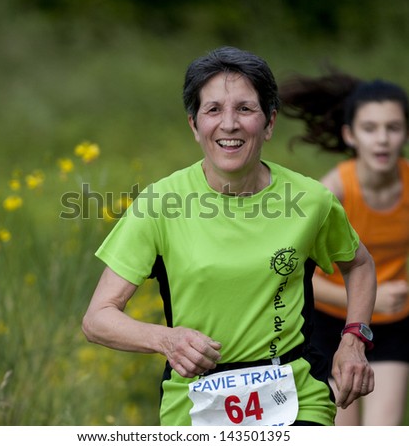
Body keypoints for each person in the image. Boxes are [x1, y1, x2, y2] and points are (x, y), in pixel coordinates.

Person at [82, 47, 376, 426]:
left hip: (296, 397)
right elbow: (98, 318)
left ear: (269, 123)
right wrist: (165, 339)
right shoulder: (160, 204)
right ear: (194, 124)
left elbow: (360, 264)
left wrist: (353, 339)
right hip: (194, 404)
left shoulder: (311, 201)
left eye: (244, 109)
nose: (229, 124)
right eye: (214, 110)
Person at [279, 70, 409, 425]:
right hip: (330, 325)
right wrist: (370, 301)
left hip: (392, 326)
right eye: (370, 128)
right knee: (341, 432)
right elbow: (291, 278)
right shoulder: (332, 193)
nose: (382, 139)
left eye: (393, 128)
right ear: (350, 134)